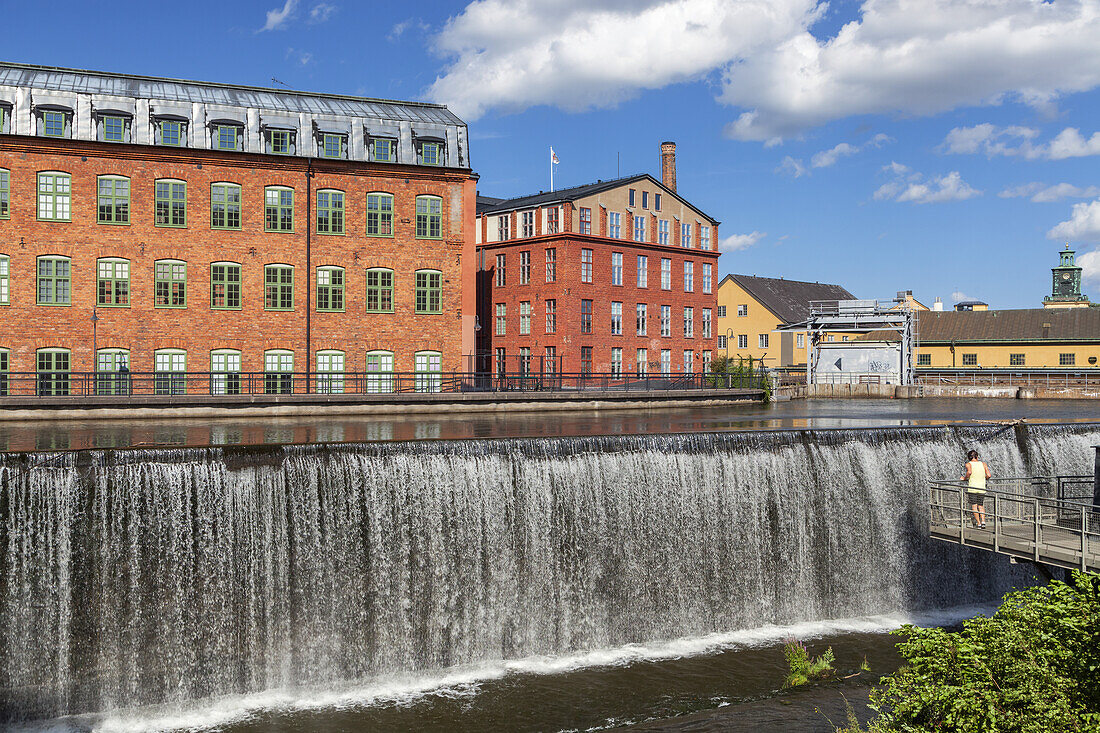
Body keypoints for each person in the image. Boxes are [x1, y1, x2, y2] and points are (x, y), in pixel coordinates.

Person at [960, 449, 991, 529]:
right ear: (977, 456)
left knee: (974, 506)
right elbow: (989, 475)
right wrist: (985, 478)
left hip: (972, 488)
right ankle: (983, 522)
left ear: (969, 457)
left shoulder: (968, 464)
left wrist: (964, 478)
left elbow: (969, 472)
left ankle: (979, 523)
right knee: (981, 505)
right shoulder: (983, 464)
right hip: (982, 488)